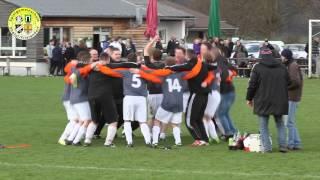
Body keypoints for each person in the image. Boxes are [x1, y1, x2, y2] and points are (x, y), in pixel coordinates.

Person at [98, 59, 161, 147]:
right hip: (141, 99)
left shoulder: (125, 71)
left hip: (129, 98)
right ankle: (148, 141)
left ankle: (129, 142)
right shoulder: (143, 72)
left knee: (127, 121)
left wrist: (100, 66)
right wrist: (141, 72)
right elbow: (156, 79)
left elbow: (108, 72)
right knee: (142, 122)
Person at [246, 47, 289, 153]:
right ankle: (283, 146)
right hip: (279, 99)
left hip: (262, 100)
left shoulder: (257, 68)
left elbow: (252, 85)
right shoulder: (282, 67)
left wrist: (249, 98)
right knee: (280, 123)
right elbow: (288, 82)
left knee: (263, 125)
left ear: (261, 56)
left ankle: (267, 148)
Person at [167, 51, 211, 146]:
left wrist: (169, 67)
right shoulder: (203, 64)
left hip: (196, 94)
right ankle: (204, 140)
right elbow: (213, 67)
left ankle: (198, 139)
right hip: (205, 95)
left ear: (188, 56)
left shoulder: (192, 63)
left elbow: (183, 67)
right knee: (198, 119)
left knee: (189, 120)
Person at [281, 49, 303, 150]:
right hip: (293, 96)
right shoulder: (291, 65)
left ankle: (291, 144)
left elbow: (295, 82)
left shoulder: (292, 66)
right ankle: (296, 143)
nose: (281, 58)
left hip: (292, 97)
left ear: (286, 57)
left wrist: (285, 87)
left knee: (289, 122)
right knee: (291, 122)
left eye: (282, 56)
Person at [216, 51, 238, 139]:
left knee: (221, 113)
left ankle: (228, 133)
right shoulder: (227, 64)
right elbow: (235, 71)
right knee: (225, 113)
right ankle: (233, 131)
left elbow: (223, 77)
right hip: (231, 91)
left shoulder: (219, 65)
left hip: (224, 92)